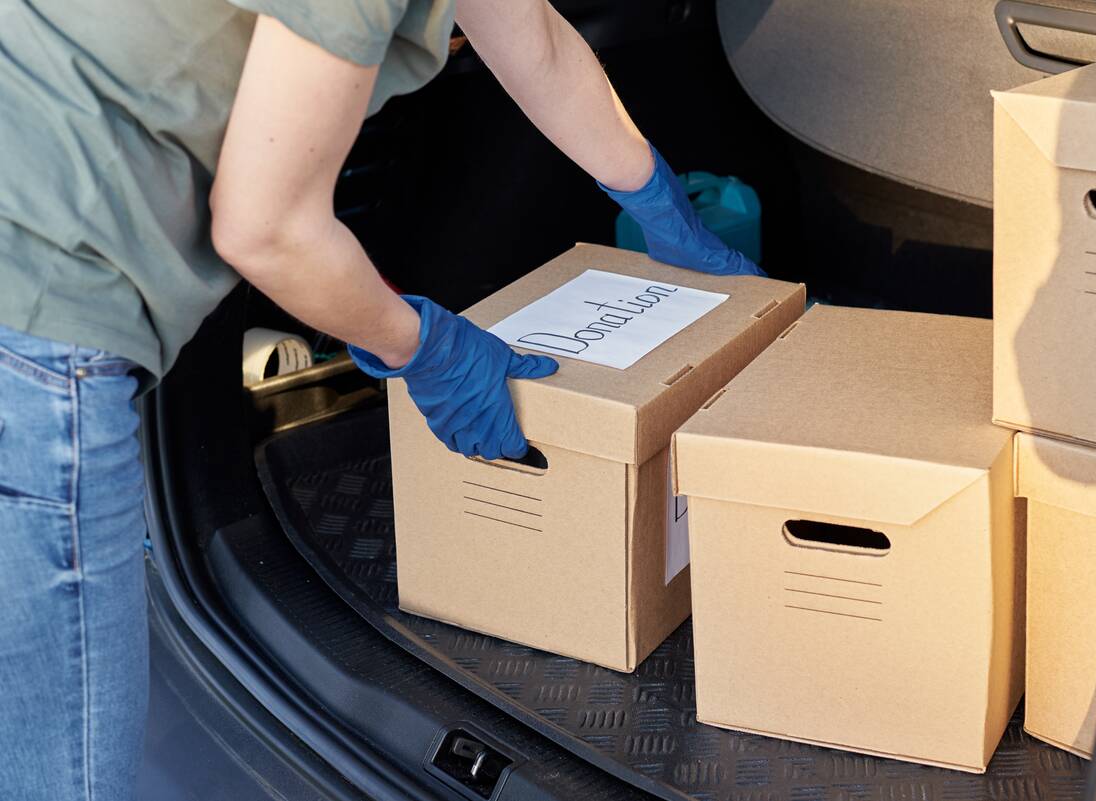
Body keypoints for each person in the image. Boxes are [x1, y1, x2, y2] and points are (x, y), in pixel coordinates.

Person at [0, 1, 762, 798]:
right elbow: (266, 229)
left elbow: (534, 41)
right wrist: (425, 350)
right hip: (36, 319)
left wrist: (655, 199)